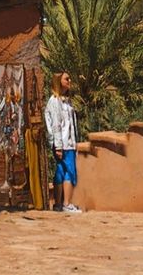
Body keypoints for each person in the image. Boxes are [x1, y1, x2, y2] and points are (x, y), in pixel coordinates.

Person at [45, 71, 81, 213]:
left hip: (69, 143)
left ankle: (59, 204)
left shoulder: (66, 101)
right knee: (70, 172)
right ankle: (66, 203)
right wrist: (58, 146)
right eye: (67, 79)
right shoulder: (55, 101)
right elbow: (56, 125)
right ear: (59, 81)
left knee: (61, 172)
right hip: (64, 144)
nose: (69, 80)